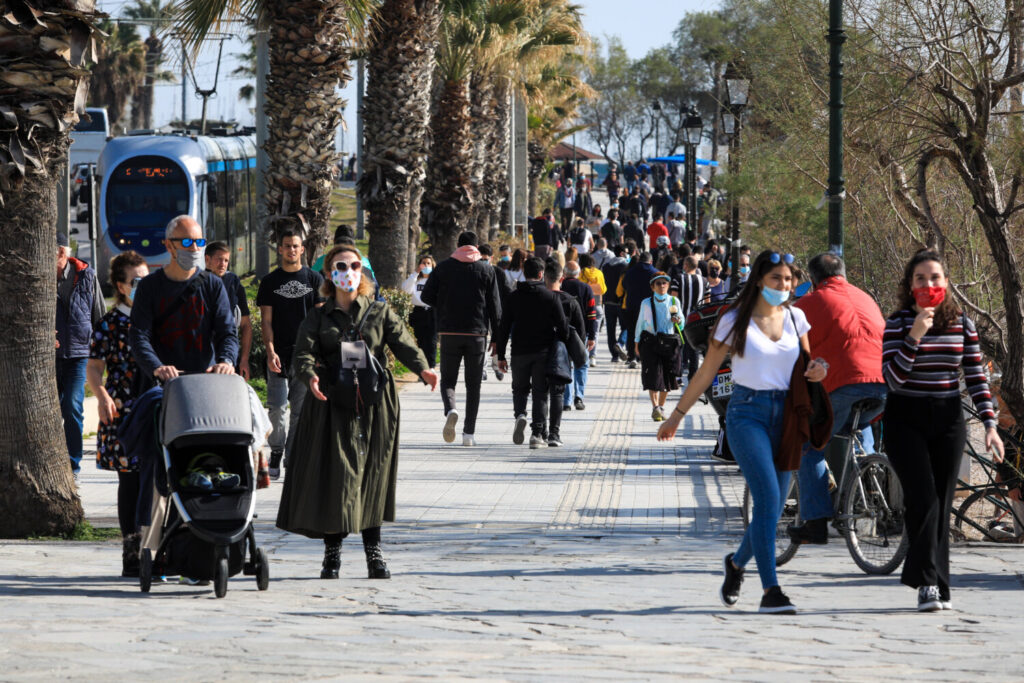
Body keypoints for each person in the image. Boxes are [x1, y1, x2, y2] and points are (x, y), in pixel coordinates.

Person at [657, 250, 828, 615]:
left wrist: (819, 370)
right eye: (775, 280)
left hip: (787, 416)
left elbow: (808, 364)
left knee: (773, 507)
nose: (783, 286)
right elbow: (705, 373)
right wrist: (675, 415)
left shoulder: (797, 318)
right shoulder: (734, 319)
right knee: (767, 501)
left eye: (788, 280)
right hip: (747, 413)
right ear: (758, 282)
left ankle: (736, 564)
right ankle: (771, 591)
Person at [277, 244, 439, 580]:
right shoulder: (318, 316)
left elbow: (403, 341)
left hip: (374, 403)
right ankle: (332, 554)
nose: (349, 271)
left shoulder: (379, 312)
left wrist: (424, 369)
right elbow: (302, 354)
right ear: (329, 273)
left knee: (372, 475)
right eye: (341, 265)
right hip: (333, 404)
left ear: (362, 272)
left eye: (355, 265)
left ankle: (373, 553)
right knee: (338, 476)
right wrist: (310, 378)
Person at [881, 249, 1003, 612]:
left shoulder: (961, 323)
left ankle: (937, 584)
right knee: (923, 499)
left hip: (948, 418)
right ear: (909, 285)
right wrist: (915, 336)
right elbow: (892, 378)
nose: (928, 284)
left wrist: (990, 425)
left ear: (946, 283)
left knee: (942, 501)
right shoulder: (898, 323)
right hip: (905, 417)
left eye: (935, 278)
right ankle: (927, 583)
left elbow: (976, 377)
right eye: (920, 278)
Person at [786, 253, 888, 545]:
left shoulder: (807, 304)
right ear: (844, 273)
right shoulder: (866, 298)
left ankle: (816, 523)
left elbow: (788, 352)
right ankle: (866, 468)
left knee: (808, 444)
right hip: (883, 385)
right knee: (856, 423)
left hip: (845, 384)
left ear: (813, 279)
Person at [86, 250, 148, 576]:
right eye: (136, 281)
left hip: (158, 407)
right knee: (131, 482)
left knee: (158, 481)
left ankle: (159, 551)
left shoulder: (157, 318)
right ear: (121, 287)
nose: (143, 286)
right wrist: (101, 396)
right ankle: (132, 552)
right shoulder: (109, 325)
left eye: (146, 279)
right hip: (123, 410)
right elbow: (94, 368)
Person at [130, 215, 238, 383]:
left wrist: (226, 361)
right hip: (163, 385)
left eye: (199, 242)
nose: (195, 248)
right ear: (169, 245)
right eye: (187, 243)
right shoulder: (148, 287)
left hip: (205, 380)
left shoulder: (213, 285)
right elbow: (139, 336)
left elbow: (227, 332)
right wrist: (157, 367)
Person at [420, 231, 502, 447]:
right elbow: (495, 306)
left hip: (449, 333)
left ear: (458, 245)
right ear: (476, 247)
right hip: (477, 334)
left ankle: (451, 409)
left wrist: (445, 303)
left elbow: (426, 296)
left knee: (448, 380)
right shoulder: (486, 269)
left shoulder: (444, 267)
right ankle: (468, 434)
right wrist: (497, 339)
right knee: (473, 386)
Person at [256, 230, 324, 480]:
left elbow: (319, 320)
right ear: (280, 249)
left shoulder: (315, 279)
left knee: (299, 410)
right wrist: (270, 350)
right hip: (279, 354)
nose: (291, 250)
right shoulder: (270, 282)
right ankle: (276, 450)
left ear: (302, 249)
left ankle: (292, 457)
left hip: (305, 356)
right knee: (275, 407)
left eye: (295, 246)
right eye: (287, 246)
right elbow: (266, 321)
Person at [492, 257, 569, 449]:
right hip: (543, 352)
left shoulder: (514, 297)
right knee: (540, 393)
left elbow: (503, 327)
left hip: (519, 351)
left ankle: (520, 414)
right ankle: (537, 434)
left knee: (519, 389)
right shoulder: (551, 297)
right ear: (542, 274)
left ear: (524, 274)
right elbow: (563, 328)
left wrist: (500, 355)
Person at [56, 232, 106, 480]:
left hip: (78, 354)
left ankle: (73, 465)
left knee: (72, 406)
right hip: (47, 355)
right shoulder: (38, 278)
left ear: (62, 253)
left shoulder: (87, 275)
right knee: (50, 409)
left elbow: (99, 314)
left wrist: (101, 349)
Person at [544, 260, 585, 447]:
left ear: (544, 277)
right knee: (557, 394)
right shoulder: (570, 301)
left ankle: (539, 431)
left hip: (539, 351)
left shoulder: (539, 299)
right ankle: (554, 433)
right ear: (562, 278)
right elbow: (581, 332)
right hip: (562, 354)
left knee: (540, 393)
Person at [634, 272, 683, 421]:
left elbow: (682, 323)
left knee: (667, 376)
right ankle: (655, 407)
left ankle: (661, 406)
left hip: (668, 343)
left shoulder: (674, 301)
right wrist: (636, 343)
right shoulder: (646, 303)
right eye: (658, 283)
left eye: (664, 283)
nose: (662, 286)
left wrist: (678, 321)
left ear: (668, 286)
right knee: (652, 375)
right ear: (652, 287)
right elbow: (640, 323)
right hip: (650, 342)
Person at [205, 241, 252, 378]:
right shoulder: (197, 284)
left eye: (226, 260)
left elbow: (245, 325)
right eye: (219, 259)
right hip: (205, 360)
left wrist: (244, 360)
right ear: (207, 259)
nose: (223, 264)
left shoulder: (233, 282)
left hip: (229, 357)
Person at [561, 261, 597, 409]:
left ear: (564, 273)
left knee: (565, 365)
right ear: (579, 273)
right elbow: (592, 314)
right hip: (581, 334)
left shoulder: (560, 287)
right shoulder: (586, 288)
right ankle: (579, 397)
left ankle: (566, 401)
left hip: (562, 333)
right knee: (581, 364)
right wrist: (592, 336)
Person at [618, 251, 658, 368]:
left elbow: (624, 286)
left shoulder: (630, 272)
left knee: (632, 332)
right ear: (651, 261)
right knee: (648, 332)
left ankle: (632, 357)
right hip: (649, 308)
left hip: (632, 306)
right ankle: (644, 356)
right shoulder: (655, 273)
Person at [671, 255, 707, 380]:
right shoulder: (705, 281)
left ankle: (678, 375)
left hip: (681, 319)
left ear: (685, 265)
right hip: (698, 320)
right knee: (695, 350)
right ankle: (693, 376)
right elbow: (707, 302)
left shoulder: (677, 279)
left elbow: (674, 300)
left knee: (679, 347)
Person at [401, 255, 438, 369]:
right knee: (420, 341)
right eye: (424, 263)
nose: (426, 265)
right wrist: (416, 273)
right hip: (419, 312)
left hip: (432, 312)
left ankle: (431, 366)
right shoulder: (416, 280)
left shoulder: (436, 280)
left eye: (428, 263)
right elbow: (406, 289)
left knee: (431, 341)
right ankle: (422, 368)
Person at [601, 244, 630, 363]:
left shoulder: (606, 266)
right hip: (621, 302)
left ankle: (614, 355)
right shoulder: (626, 266)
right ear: (622, 253)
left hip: (608, 301)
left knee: (610, 329)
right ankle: (620, 343)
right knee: (626, 326)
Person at [578, 253, 607, 366]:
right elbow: (604, 289)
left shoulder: (581, 274)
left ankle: (582, 354)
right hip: (597, 305)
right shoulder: (599, 273)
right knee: (595, 332)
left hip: (583, 306)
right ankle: (593, 356)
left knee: (582, 331)